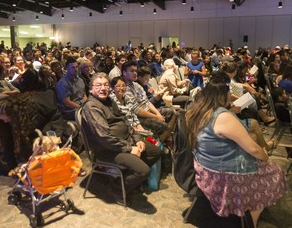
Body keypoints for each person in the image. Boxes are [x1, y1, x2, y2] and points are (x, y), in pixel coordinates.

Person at [186, 71, 288, 227]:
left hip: (204, 170)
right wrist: (265, 156)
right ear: (223, 95)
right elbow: (254, 150)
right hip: (222, 177)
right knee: (276, 172)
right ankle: (250, 221)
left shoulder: (198, 111)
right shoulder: (222, 116)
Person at [81, 72, 161, 204]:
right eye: (98, 85)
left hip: (125, 142)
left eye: (106, 84)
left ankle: (127, 179)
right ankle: (117, 189)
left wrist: (138, 139)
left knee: (156, 151)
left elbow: (125, 121)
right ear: (91, 89)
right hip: (108, 150)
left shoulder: (109, 100)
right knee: (143, 171)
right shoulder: (92, 107)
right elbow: (104, 137)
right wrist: (130, 149)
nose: (103, 88)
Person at [0, 90, 69, 168]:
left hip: (49, 129)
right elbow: (7, 141)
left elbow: (55, 117)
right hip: (33, 137)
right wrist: (11, 166)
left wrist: (49, 136)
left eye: (7, 119)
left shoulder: (36, 103)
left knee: (48, 146)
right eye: (2, 120)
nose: (5, 122)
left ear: (14, 114)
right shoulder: (4, 121)